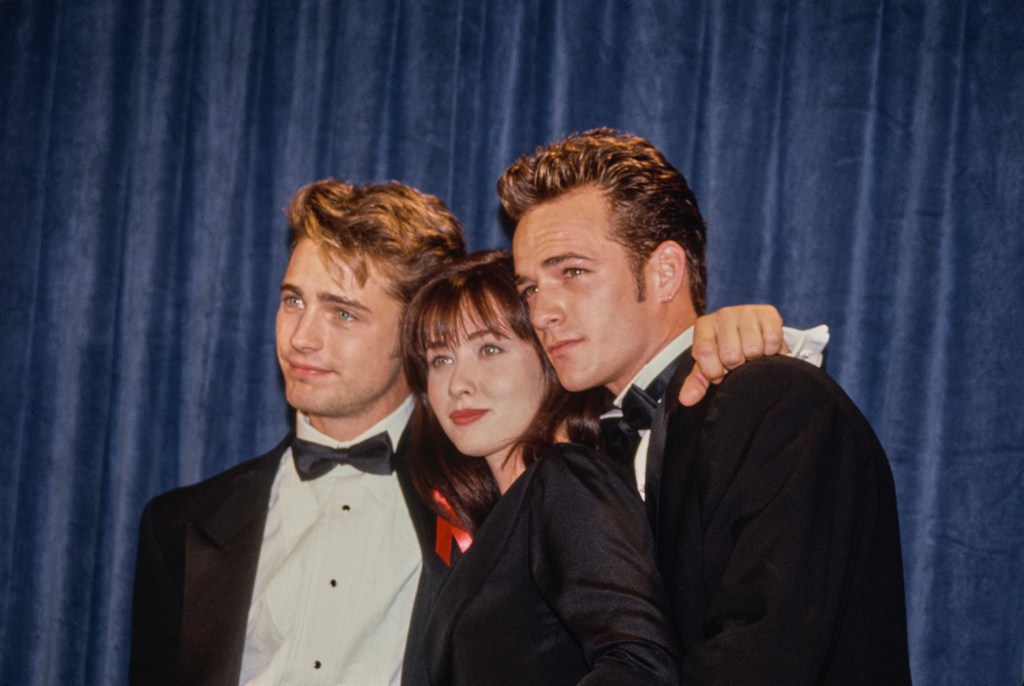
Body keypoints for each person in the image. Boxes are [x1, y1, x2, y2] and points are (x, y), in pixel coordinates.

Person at [129, 176, 786, 685]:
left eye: (345, 313)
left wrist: (721, 333)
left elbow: (642, 656)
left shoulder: (545, 483)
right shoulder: (180, 525)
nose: (302, 337)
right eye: (293, 300)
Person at [502, 128, 912, 684]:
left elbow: (763, 659)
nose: (542, 311)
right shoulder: (594, 445)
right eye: (529, 289)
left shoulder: (775, 401)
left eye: (572, 272)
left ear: (665, 272)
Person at [401, 250, 677, 685]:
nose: (458, 384)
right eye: (440, 359)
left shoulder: (568, 481)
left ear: (551, 357)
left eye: (489, 348)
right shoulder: (513, 514)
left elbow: (640, 665)